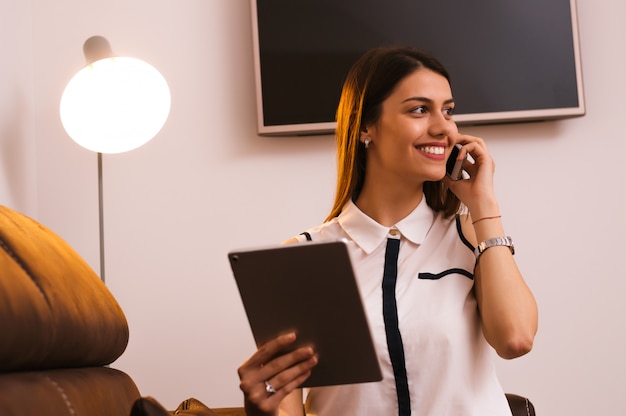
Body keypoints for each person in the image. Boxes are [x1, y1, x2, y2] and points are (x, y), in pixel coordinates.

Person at [237, 46, 538, 416]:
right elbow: (286, 407)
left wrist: (484, 205)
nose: (444, 127)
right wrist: (259, 407)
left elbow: (516, 339)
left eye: (448, 110)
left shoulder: (470, 235)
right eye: (419, 109)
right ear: (366, 126)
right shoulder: (303, 258)